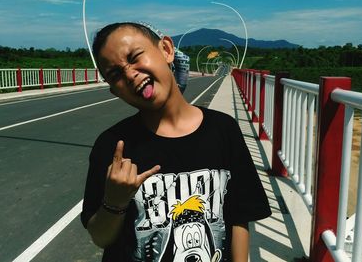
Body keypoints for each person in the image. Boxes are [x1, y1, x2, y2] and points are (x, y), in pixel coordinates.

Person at [81, 22, 271, 262]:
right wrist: (114, 201)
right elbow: (100, 237)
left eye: (135, 57)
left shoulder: (224, 130)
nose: (130, 75)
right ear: (114, 91)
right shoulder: (111, 146)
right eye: (116, 75)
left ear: (167, 50)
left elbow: (238, 217)